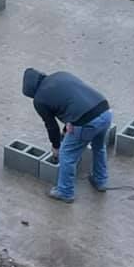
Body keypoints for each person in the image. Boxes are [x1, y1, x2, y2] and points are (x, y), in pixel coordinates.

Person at [21, 67, 112, 203]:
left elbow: (51, 125)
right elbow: (74, 100)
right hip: (105, 111)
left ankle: (65, 192)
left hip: (87, 122)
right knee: (99, 147)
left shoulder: (39, 100)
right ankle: (101, 181)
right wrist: (67, 128)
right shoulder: (60, 75)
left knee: (67, 155)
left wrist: (56, 146)